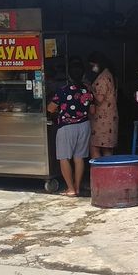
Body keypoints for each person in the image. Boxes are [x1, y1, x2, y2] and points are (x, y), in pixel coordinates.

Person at [47, 59, 94, 197]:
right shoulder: (87, 91)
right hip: (84, 126)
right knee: (79, 158)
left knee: (64, 158)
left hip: (66, 127)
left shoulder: (63, 91)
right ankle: (78, 188)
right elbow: (92, 111)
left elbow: (50, 108)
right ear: (83, 74)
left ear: (69, 75)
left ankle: (70, 189)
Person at [87, 51, 119, 158]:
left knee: (95, 148)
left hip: (101, 120)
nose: (92, 68)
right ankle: (108, 173)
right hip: (109, 118)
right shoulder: (109, 75)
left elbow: (99, 98)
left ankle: (99, 173)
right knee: (107, 150)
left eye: (93, 65)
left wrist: (89, 88)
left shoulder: (103, 78)